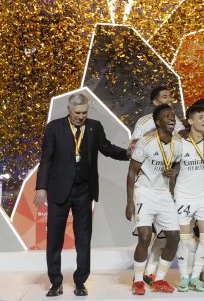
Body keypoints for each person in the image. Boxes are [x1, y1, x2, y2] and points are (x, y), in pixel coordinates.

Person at [35, 91, 130, 297]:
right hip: (59, 190)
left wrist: (126, 153)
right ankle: (56, 282)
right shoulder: (54, 128)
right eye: (77, 112)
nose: (81, 116)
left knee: (83, 239)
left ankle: (80, 281)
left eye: (84, 112)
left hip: (84, 191)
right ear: (69, 110)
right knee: (54, 239)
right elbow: (47, 159)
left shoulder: (94, 127)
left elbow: (106, 148)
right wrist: (40, 187)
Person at [126, 105, 181, 295]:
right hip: (144, 192)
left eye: (173, 116)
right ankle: (139, 281)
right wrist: (130, 202)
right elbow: (132, 171)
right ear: (158, 122)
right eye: (167, 116)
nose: (172, 119)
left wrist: (172, 172)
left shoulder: (178, 143)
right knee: (144, 236)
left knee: (174, 237)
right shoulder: (146, 141)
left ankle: (159, 279)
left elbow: (177, 165)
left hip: (164, 194)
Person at [172, 104, 204, 292]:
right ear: (190, 121)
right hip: (183, 195)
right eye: (200, 117)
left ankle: (195, 276)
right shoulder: (180, 143)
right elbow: (171, 165)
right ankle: (183, 276)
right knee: (184, 239)